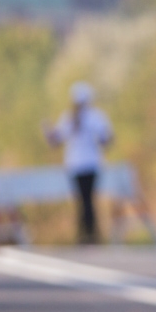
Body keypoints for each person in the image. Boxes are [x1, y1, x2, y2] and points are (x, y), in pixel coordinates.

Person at [46, 82, 113, 244]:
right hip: (81, 164)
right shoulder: (75, 118)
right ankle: (87, 234)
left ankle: (88, 234)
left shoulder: (91, 117)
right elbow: (57, 140)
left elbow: (106, 138)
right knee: (85, 200)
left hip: (85, 164)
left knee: (85, 200)